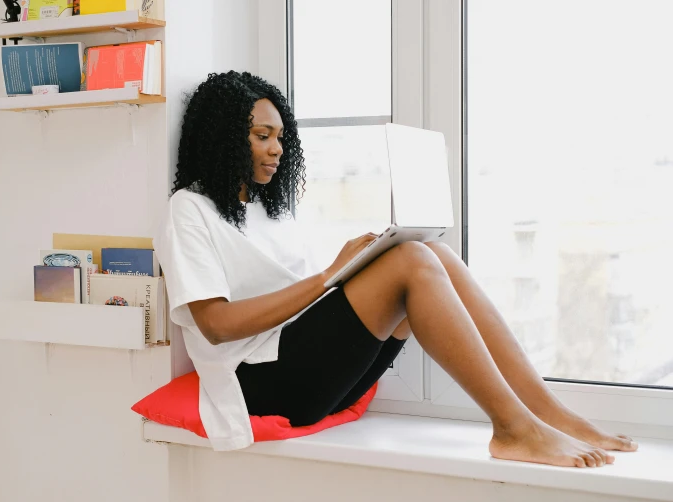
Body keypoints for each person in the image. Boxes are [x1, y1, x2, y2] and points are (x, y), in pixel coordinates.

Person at [154, 70, 638, 466]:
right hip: (261, 381)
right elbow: (215, 325)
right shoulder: (189, 208)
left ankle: (546, 411)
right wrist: (329, 276)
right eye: (263, 136)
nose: (278, 149)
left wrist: (354, 268)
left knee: (433, 254)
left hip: (308, 366)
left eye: (281, 137)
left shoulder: (271, 209)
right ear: (224, 139)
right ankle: (514, 429)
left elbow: (312, 304)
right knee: (411, 262)